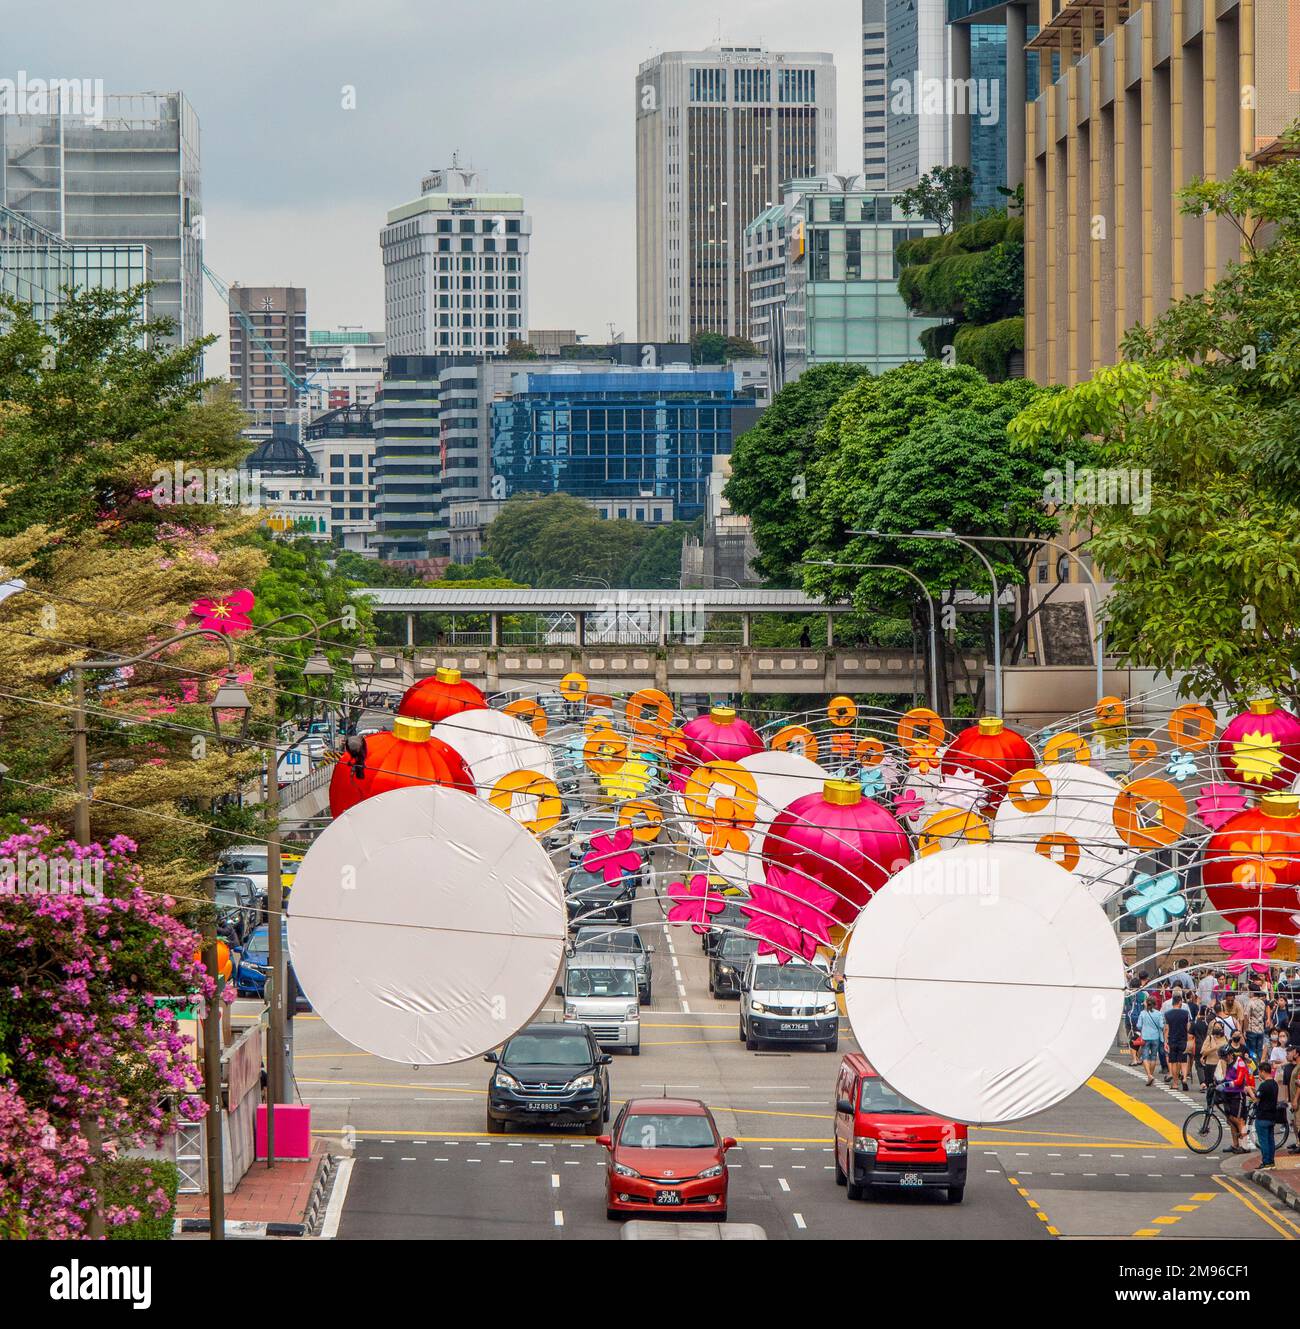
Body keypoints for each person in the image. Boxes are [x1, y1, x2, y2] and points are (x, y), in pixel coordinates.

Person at [1219, 1039, 1252, 1153]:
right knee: (1230, 1120)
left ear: (1230, 1054)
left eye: (1225, 1056)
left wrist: (1226, 1083)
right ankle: (1235, 1145)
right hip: (1228, 1094)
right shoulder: (1227, 1063)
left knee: (1239, 1120)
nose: (1224, 1059)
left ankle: (1245, 1146)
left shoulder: (1240, 1062)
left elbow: (1239, 1081)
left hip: (1237, 1095)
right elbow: (1226, 1077)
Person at [1252, 1062, 1283, 1169]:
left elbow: (1256, 1099)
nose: (1259, 1074)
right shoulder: (1274, 1084)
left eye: (1260, 1072)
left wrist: (1249, 1091)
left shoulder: (1264, 1085)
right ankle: (1271, 1161)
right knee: (1270, 1140)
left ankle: (1266, 1162)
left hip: (1262, 1116)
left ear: (1263, 1071)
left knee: (1264, 1141)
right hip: (1272, 1116)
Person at [1163, 989, 1192, 1092]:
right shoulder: (1185, 1014)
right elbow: (1188, 1027)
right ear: (1180, 1002)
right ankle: (1184, 1078)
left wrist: (1166, 1041)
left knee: (1174, 1062)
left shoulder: (1168, 1014)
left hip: (1172, 1040)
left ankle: (1175, 1083)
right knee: (1183, 1061)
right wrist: (1189, 1040)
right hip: (1183, 1039)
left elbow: (1167, 1029)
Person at [1137, 997, 1166, 1087]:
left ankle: (1149, 1075)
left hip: (1145, 1036)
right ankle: (1151, 1075)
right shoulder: (1158, 1014)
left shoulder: (1143, 1013)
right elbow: (1161, 1026)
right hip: (1155, 1036)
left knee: (1145, 1056)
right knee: (1153, 1057)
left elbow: (1138, 1025)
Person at [1199, 1019, 1229, 1090]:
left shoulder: (1226, 1039)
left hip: (1221, 1065)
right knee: (1211, 1086)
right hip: (1210, 1065)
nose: (1217, 1029)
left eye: (1218, 1028)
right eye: (1215, 1028)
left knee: (1220, 1085)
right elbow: (1203, 1051)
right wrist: (1213, 1048)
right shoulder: (1209, 1038)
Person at [1245, 985, 1269, 1067]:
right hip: (1260, 1029)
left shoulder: (1250, 1002)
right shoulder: (1262, 1002)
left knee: (1252, 1050)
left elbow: (1246, 1016)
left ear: (1252, 992)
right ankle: (1261, 1068)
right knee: (1259, 1050)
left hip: (1251, 1030)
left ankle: (1254, 1069)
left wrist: (1245, 1030)